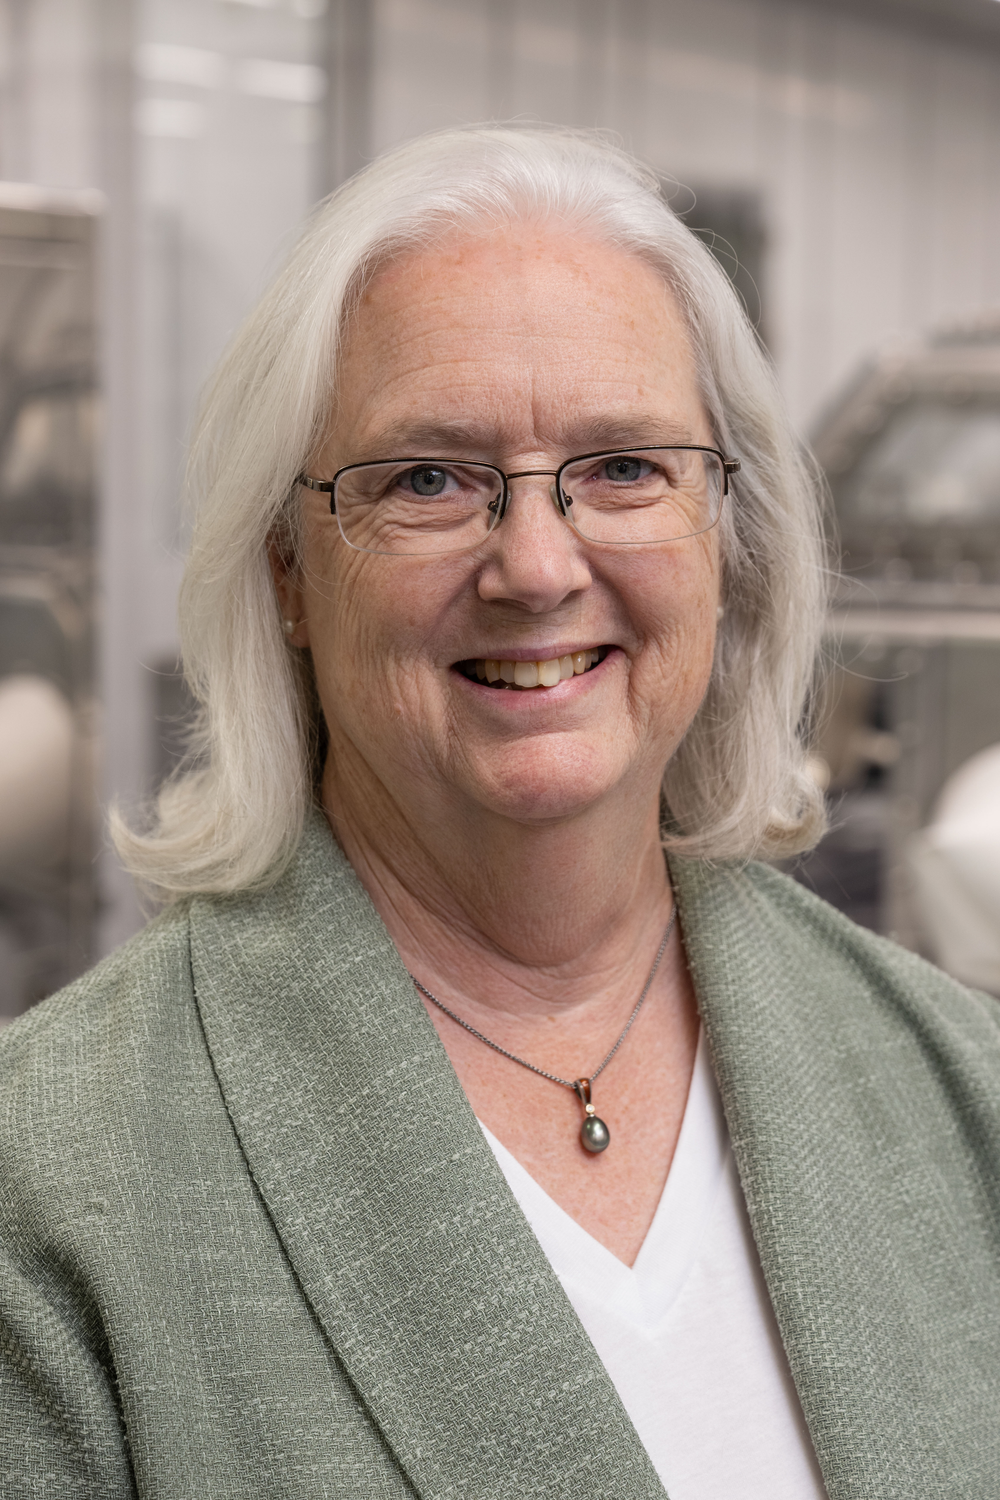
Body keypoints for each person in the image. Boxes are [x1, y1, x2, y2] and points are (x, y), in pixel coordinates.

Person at [2, 125, 999, 1500]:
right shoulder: (51, 1187)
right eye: (429, 479)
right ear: (290, 569)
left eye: (624, 468)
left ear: (731, 541)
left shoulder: (963, 1085)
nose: (535, 564)